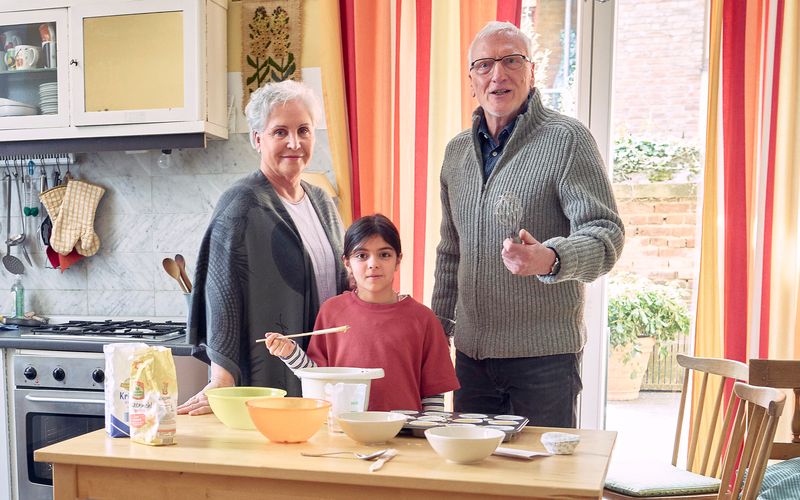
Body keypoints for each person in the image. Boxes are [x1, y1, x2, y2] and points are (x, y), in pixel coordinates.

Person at [432, 21, 624, 428]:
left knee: (543, 482)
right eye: (484, 65)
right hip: (471, 361)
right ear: (471, 80)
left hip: (544, 362)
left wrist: (552, 258)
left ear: (532, 72)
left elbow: (606, 235)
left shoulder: (567, 140)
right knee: (475, 485)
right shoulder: (456, 154)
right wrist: (437, 330)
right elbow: (451, 252)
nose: (497, 74)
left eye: (511, 60)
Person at [178, 80, 348, 416]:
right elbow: (220, 291)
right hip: (269, 368)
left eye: (304, 130)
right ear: (258, 139)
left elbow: (342, 281)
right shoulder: (242, 203)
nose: (294, 142)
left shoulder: (322, 202)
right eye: (280, 132)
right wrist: (221, 378)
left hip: (324, 369)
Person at [264, 214, 459, 411]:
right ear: (347, 262)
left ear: (398, 260)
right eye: (361, 256)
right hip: (343, 431)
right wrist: (290, 353)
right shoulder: (332, 312)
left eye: (384, 254)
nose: (373, 264)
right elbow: (320, 380)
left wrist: (427, 434)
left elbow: (434, 394)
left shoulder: (423, 319)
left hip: (404, 433)